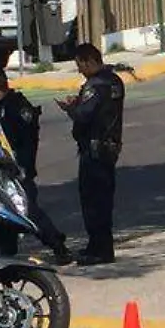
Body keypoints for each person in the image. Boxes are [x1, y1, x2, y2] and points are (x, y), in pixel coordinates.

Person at [0, 67, 73, 264]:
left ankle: (58, 245)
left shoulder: (17, 106)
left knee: (28, 211)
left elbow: (28, 141)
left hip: (18, 169)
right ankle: (5, 252)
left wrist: (21, 167)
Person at [57, 43, 124, 265]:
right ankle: (99, 246)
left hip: (94, 151)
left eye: (80, 65)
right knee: (103, 201)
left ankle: (99, 249)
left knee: (93, 202)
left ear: (89, 61)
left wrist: (70, 108)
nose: (79, 70)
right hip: (109, 148)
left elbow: (84, 115)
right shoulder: (115, 81)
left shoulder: (95, 85)